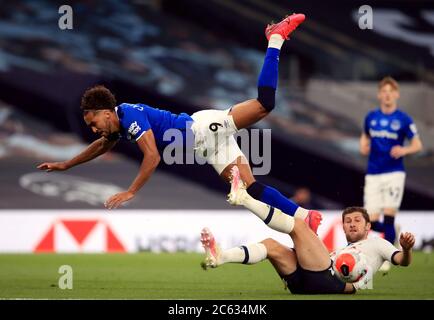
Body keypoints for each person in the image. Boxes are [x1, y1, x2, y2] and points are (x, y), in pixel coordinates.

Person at [36, 13, 321, 230]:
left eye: (94, 122)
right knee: (251, 190)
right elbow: (100, 146)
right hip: (207, 147)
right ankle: (305, 216)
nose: (94, 129)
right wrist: (65, 164)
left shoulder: (129, 116)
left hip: (203, 128)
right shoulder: (117, 126)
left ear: (106, 112)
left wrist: (131, 191)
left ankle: (275, 37)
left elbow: (152, 156)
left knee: (264, 105)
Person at [200, 168, 415, 294]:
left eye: (357, 220)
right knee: (270, 246)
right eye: (347, 221)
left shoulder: (377, 244)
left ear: (368, 226)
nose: (351, 224)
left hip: (336, 282)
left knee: (300, 226)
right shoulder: (344, 248)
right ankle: (221, 256)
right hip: (307, 281)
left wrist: (406, 249)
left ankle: (244, 198)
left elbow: (402, 261)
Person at [359, 76, 423, 271]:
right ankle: (391, 232)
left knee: (388, 215)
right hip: (373, 173)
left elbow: (417, 144)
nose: (387, 95)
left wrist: (403, 150)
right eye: (384, 92)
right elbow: (365, 136)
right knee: (368, 220)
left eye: (391, 92)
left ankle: (387, 259)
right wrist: (363, 145)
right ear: (379, 95)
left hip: (394, 173)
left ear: (396, 94)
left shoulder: (403, 119)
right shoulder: (371, 117)